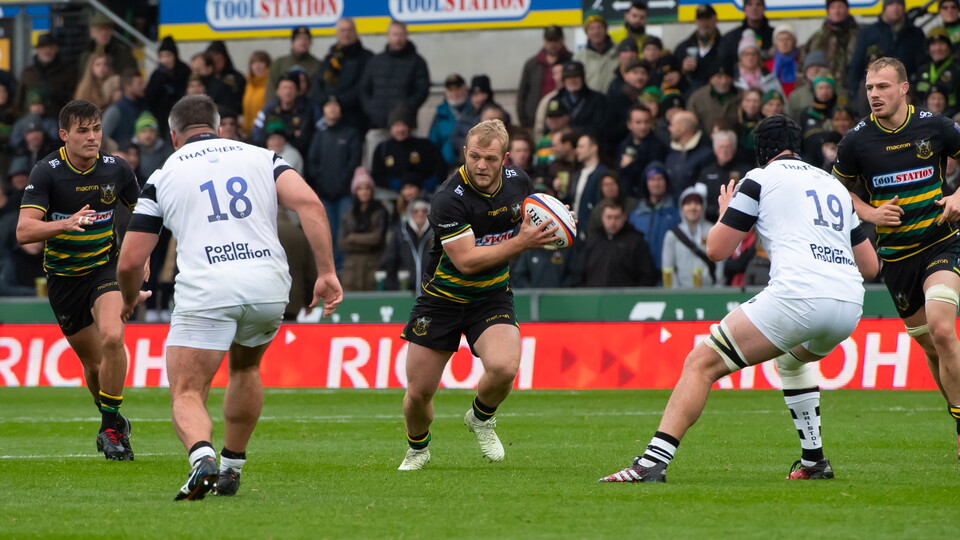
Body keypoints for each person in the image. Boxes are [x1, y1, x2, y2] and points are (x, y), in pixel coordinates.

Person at [600, 115, 878, 483]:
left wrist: (724, 212)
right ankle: (814, 462)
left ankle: (651, 463)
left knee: (700, 364)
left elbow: (716, 250)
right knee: (791, 362)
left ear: (762, 149)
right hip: (848, 304)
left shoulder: (759, 178)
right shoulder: (834, 185)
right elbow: (870, 266)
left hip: (798, 296)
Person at [116, 94, 342, 500]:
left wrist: (130, 298)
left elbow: (131, 260)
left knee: (187, 390)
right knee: (246, 368)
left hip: (209, 289)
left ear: (173, 136)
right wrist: (326, 272)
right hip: (268, 285)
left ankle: (202, 458)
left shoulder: (164, 174)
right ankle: (232, 468)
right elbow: (310, 203)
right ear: (219, 128)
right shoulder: (263, 157)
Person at [397, 119, 559, 470]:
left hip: (490, 296)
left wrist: (557, 225)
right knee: (419, 393)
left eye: (490, 158)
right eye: (474, 157)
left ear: (505, 159)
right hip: (440, 300)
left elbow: (534, 221)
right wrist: (522, 242)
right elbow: (467, 261)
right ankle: (418, 448)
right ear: (464, 153)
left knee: (504, 368)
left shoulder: (520, 183)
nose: (481, 165)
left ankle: (481, 418)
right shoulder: (447, 199)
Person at [833, 57, 960, 458]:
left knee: (942, 329)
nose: (875, 94)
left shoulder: (935, 126)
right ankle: (956, 412)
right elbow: (837, 191)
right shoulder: (855, 142)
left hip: (941, 243)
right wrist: (869, 213)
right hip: (897, 257)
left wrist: (958, 195)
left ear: (904, 88)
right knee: (930, 347)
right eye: (870, 88)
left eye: (883, 86)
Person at [16, 99, 143, 461]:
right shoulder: (47, 172)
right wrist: (64, 224)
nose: (92, 137)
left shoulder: (117, 169)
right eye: (83, 131)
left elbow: (143, 213)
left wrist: (141, 257)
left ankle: (109, 429)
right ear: (64, 135)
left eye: (97, 129)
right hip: (63, 278)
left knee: (113, 337)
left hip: (104, 268)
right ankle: (113, 420)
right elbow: (24, 231)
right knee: (94, 366)